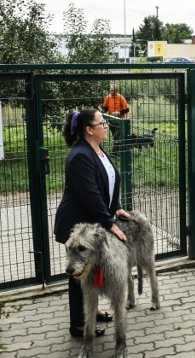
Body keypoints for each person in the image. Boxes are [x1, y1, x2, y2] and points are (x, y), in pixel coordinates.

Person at [54, 109, 132, 338]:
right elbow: (90, 194)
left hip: (93, 220)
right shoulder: (80, 155)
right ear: (89, 129)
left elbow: (107, 181)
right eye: (102, 122)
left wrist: (115, 206)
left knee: (93, 269)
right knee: (78, 272)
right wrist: (110, 222)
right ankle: (78, 324)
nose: (106, 125)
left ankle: (93, 309)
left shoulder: (96, 150)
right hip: (78, 224)